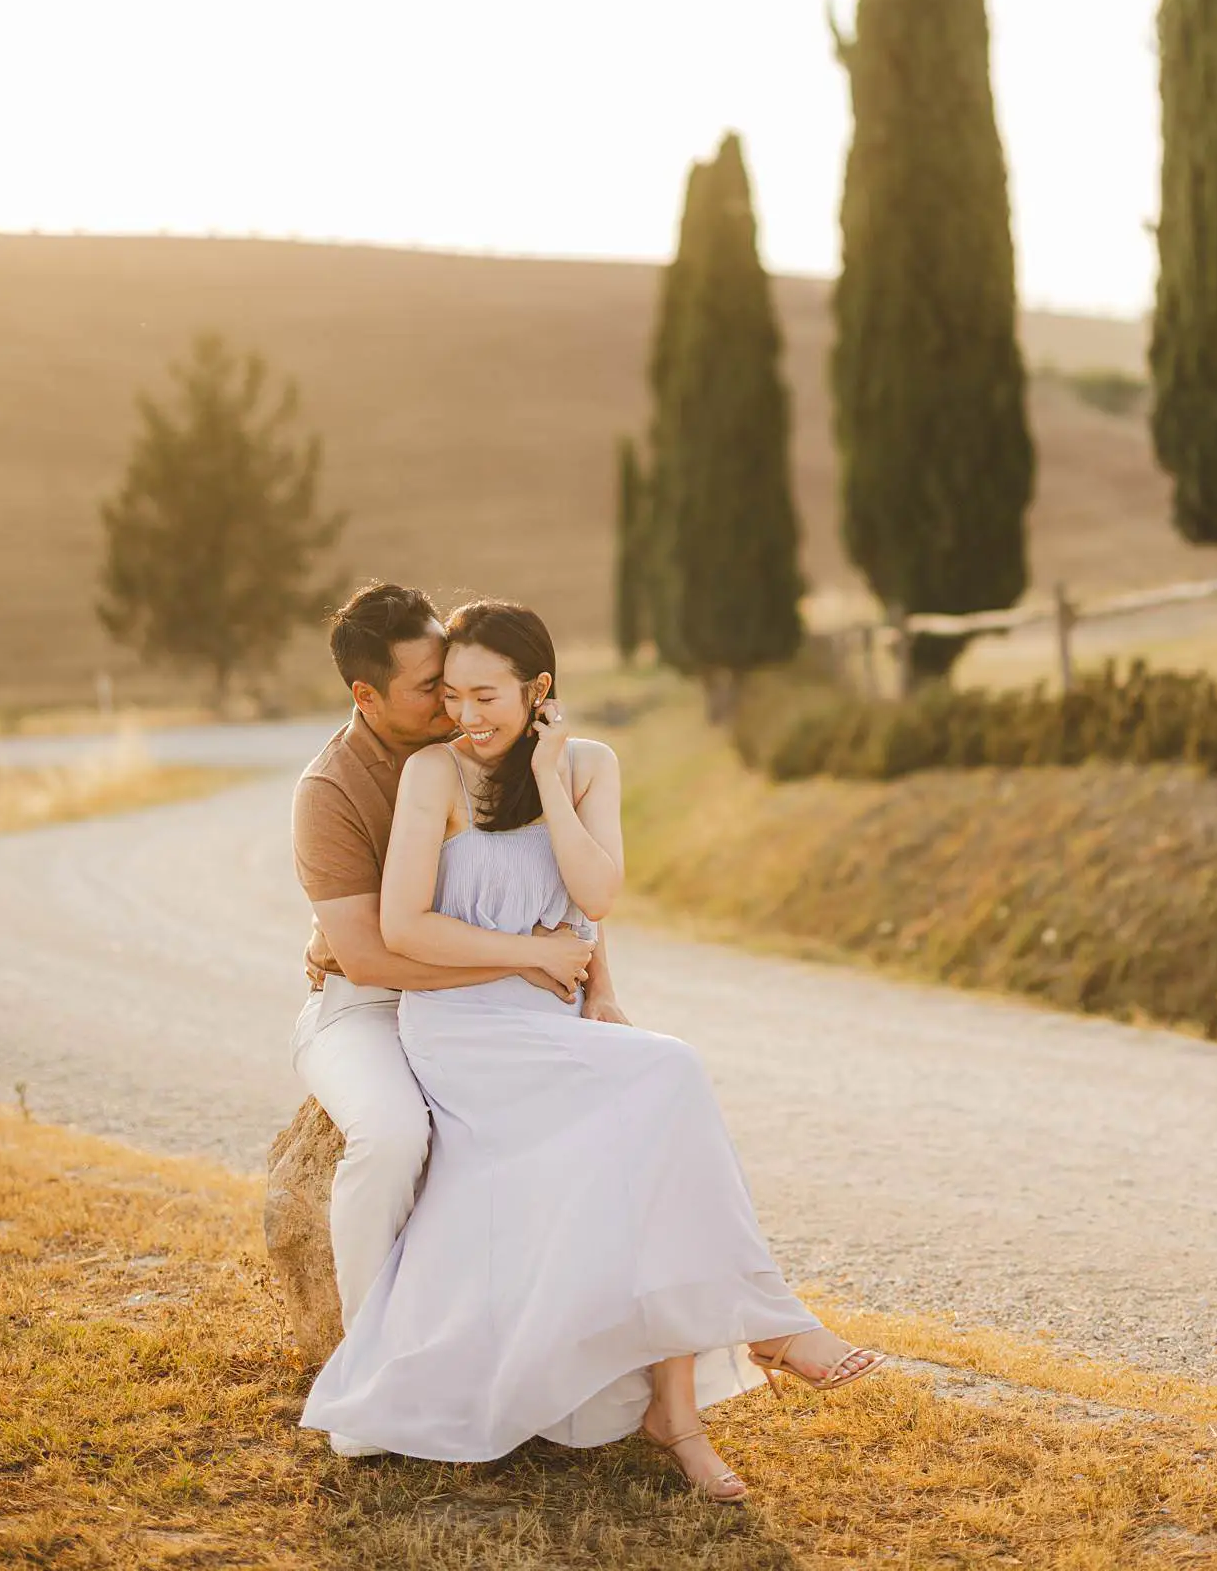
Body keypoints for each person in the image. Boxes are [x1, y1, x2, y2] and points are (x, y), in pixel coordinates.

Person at [301, 598, 884, 1500]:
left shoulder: (586, 765)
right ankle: (766, 1322)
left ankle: (680, 1408)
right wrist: (534, 953)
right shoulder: (421, 776)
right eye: (447, 693)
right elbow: (399, 927)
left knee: (659, 1108)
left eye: (482, 693)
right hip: (457, 1025)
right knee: (664, 1073)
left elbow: (594, 897)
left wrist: (548, 778)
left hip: (545, 1018)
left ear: (538, 689)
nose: (463, 714)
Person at [290, 581, 629, 1332]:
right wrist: (522, 960)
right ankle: (368, 1352)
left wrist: (595, 981)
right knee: (393, 1134)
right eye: (431, 690)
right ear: (367, 695)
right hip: (365, 1004)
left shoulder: (494, 751)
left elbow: (560, 888)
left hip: (481, 991)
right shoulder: (330, 792)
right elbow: (372, 958)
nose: (456, 706)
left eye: (460, 682)